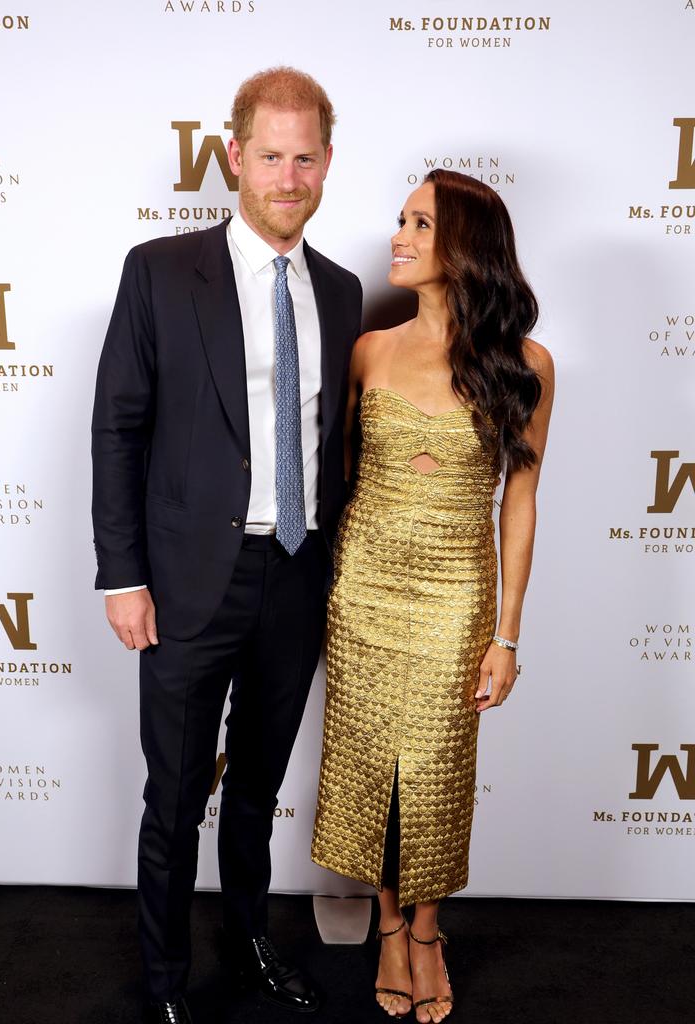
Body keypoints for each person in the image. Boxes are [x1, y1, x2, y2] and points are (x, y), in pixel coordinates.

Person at [91, 67, 362, 1024]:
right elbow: (119, 427)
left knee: (255, 790)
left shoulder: (340, 288)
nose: (288, 176)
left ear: (327, 162)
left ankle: (249, 946)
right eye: (271, 155)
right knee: (174, 799)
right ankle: (165, 985)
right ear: (235, 157)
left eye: (306, 157)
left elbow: (336, 441)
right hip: (184, 581)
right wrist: (122, 576)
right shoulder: (161, 270)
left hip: (295, 574)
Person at [311, 169, 554, 1022]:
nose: (399, 236)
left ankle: (426, 929)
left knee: (437, 775)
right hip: (364, 589)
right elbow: (330, 476)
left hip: (456, 595)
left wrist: (507, 635)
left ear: (465, 248)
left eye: (420, 223)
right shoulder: (370, 349)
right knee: (373, 768)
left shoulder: (525, 365)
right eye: (400, 219)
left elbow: (518, 501)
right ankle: (386, 925)